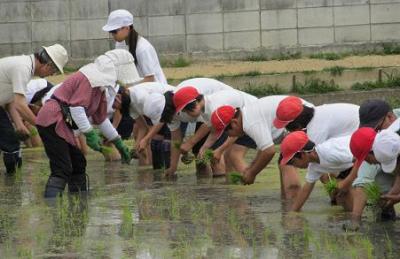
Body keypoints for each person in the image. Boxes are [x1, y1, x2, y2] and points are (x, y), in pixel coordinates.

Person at [36, 49, 138, 198]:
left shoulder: (99, 88)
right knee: (62, 168)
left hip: (64, 121)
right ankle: (51, 208)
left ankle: (78, 202)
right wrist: (90, 134)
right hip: (52, 119)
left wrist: (118, 142)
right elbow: (76, 108)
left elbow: (101, 119)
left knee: (78, 163)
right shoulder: (88, 79)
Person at [209, 96, 312, 198]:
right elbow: (264, 147)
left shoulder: (250, 123)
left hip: (302, 119)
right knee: (286, 162)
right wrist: (251, 168)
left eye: (227, 132)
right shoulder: (247, 116)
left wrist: (252, 173)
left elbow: (269, 151)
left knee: (287, 162)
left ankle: (293, 210)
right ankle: (287, 205)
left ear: (234, 122)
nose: (230, 136)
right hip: (297, 121)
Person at [0, 44, 68, 174]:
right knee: (10, 145)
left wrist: (20, 125)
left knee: (12, 145)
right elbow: (20, 104)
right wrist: (42, 126)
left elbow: (11, 102)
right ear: (48, 65)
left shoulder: (26, 67)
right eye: (53, 71)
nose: (52, 74)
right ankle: (13, 181)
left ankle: (13, 182)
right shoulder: (23, 68)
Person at [273, 96, 359, 198]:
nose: (288, 131)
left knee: (338, 183)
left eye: (287, 127)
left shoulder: (316, 131)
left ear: (298, 125)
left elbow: (315, 164)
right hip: (353, 137)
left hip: (363, 140)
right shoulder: (318, 114)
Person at [171, 86, 258, 176]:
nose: (186, 114)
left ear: (195, 102)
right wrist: (203, 149)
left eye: (186, 110)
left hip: (252, 116)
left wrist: (220, 150)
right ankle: (231, 187)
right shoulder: (205, 111)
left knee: (234, 155)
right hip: (241, 120)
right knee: (228, 157)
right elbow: (215, 131)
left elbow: (234, 133)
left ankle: (249, 181)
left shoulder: (215, 107)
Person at [346, 99, 400, 229]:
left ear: (390, 117)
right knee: (381, 181)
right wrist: (355, 219)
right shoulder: (378, 139)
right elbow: (364, 180)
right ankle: (387, 216)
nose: (375, 134)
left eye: (377, 128)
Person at [280, 131, 356, 211]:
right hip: (350, 166)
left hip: (365, 155)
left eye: (293, 162)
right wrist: (293, 212)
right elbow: (306, 190)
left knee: (346, 194)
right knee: (341, 197)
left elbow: (361, 159)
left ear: (303, 154)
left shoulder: (329, 152)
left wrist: (346, 183)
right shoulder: (314, 166)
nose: (295, 167)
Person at [103, 9, 166, 84]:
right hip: (136, 89)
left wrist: (129, 87)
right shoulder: (119, 44)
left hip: (154, 89)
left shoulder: (142, 48)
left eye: (114, 31)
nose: (112, 34)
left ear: (127, 28)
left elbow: (150, 79)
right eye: (110, 31)